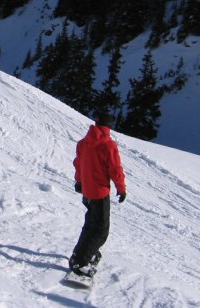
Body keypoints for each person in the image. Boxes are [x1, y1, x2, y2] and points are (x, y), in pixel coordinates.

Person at [69, 111, 127, 277]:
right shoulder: (108, 145)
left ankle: (81, 254)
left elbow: (79, 164)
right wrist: (121, 189)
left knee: (90, 226)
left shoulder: (83, 143)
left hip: (87, 191)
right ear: (109, 126)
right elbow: (115, 170)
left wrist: (79, 181)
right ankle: (80, 263)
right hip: (99, 193)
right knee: (101, 231)